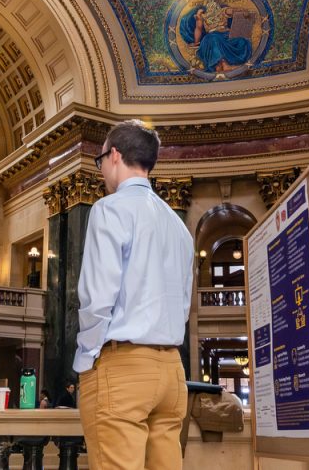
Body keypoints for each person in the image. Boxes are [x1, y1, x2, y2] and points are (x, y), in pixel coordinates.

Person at [74, 119, 194, 470]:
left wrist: (87, 357)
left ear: (114, 155)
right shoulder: (178, 225)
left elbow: (97, 297)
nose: (101, 173)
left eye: (100, 163)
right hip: (172, 371)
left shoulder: (109, 209)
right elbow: (184, 303)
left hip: (123, 366)